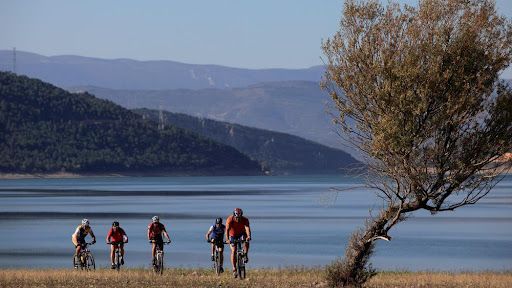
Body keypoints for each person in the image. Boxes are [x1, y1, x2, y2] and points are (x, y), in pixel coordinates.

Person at [225, 208, 251, 277]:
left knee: (246, 241)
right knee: (234, 250)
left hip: (241, 234)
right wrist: (227, 239)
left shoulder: (245, 219)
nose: (238, 219)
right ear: (234, 216)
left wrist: (248, 236)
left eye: (239, 217)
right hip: (232, 235)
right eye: (237, 218)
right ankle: (234, 269)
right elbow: (227, 230)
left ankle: (245, 254)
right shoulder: (230, 219)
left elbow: (247, 228)